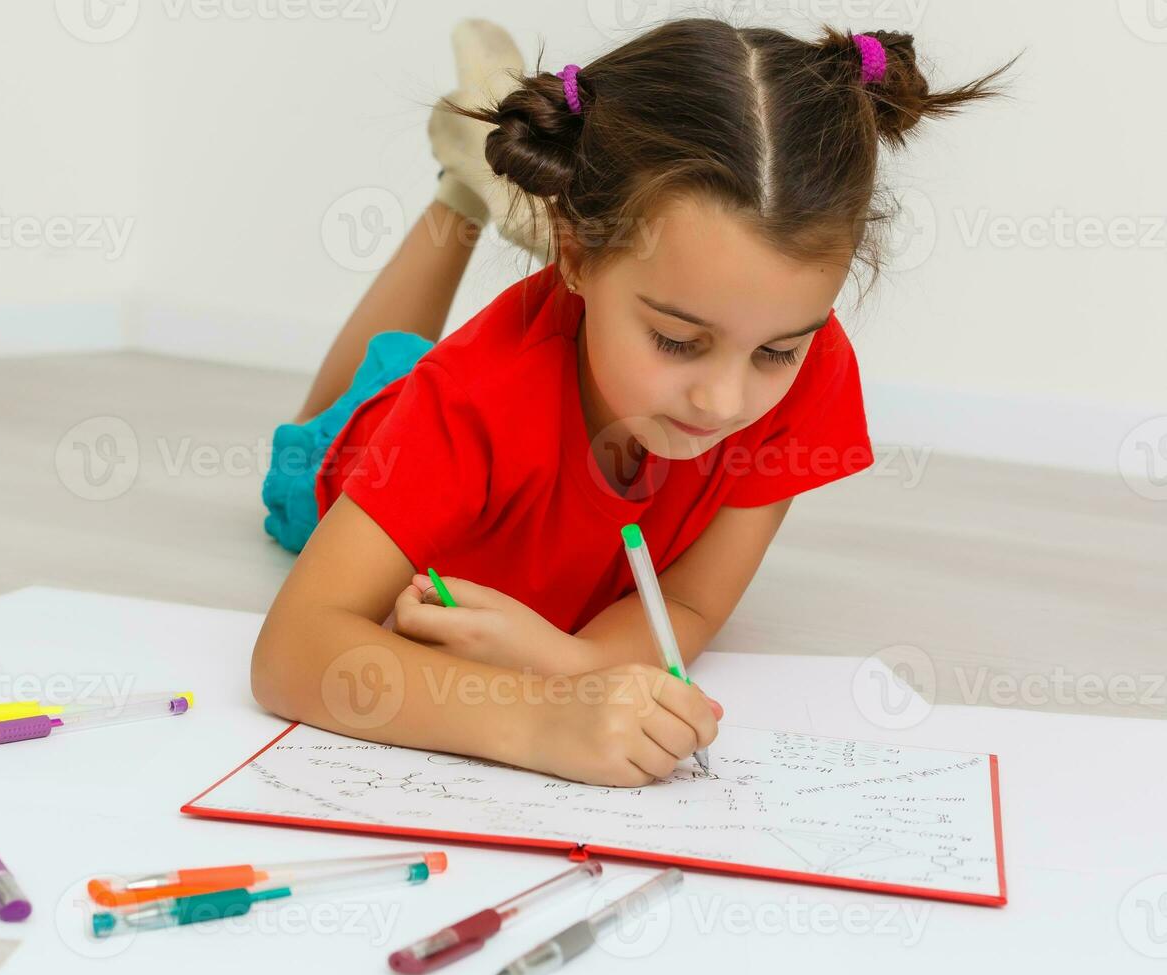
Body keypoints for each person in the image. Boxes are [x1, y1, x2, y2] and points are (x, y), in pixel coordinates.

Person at [252, 18, 1016, 786]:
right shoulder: (471, 397)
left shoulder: (812, 368)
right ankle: (461, 190)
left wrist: (569, 661)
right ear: (576, 253)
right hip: (378, 440)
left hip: (536, 382)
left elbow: (688, 605)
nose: (722, 401)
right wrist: (540, 718)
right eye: (679, 340)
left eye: (775, 351)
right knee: (360, 395)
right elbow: (294, 651)